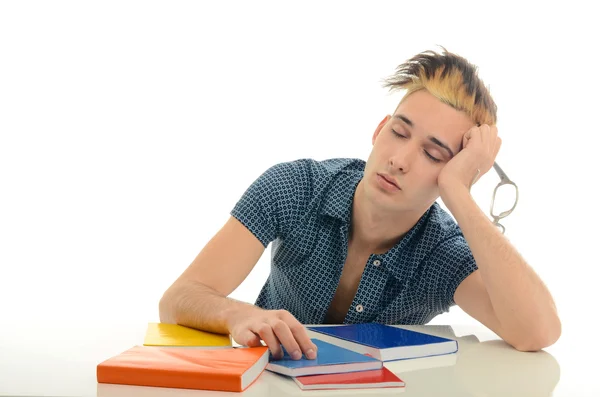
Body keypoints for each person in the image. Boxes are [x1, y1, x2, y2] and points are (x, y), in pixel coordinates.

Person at [158, 48, 561, 360]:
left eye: (434, 156)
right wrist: (238, 314)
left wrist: (459, 192)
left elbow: (537, 332)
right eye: (400, 132)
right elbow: (178, 299)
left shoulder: (441, 252)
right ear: (379, 129)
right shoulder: (295, 186)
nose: (400, 160)